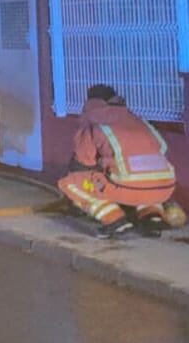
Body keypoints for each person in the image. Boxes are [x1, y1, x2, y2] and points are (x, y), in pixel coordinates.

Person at [58, 84, 179, 238]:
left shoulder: (92, 121)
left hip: (129, 189)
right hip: (165, 188)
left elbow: (83, 162)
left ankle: (114, 221)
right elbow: (162, 149)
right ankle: (152, 217)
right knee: (143, 176)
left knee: (68, 183)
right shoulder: (137, 119)